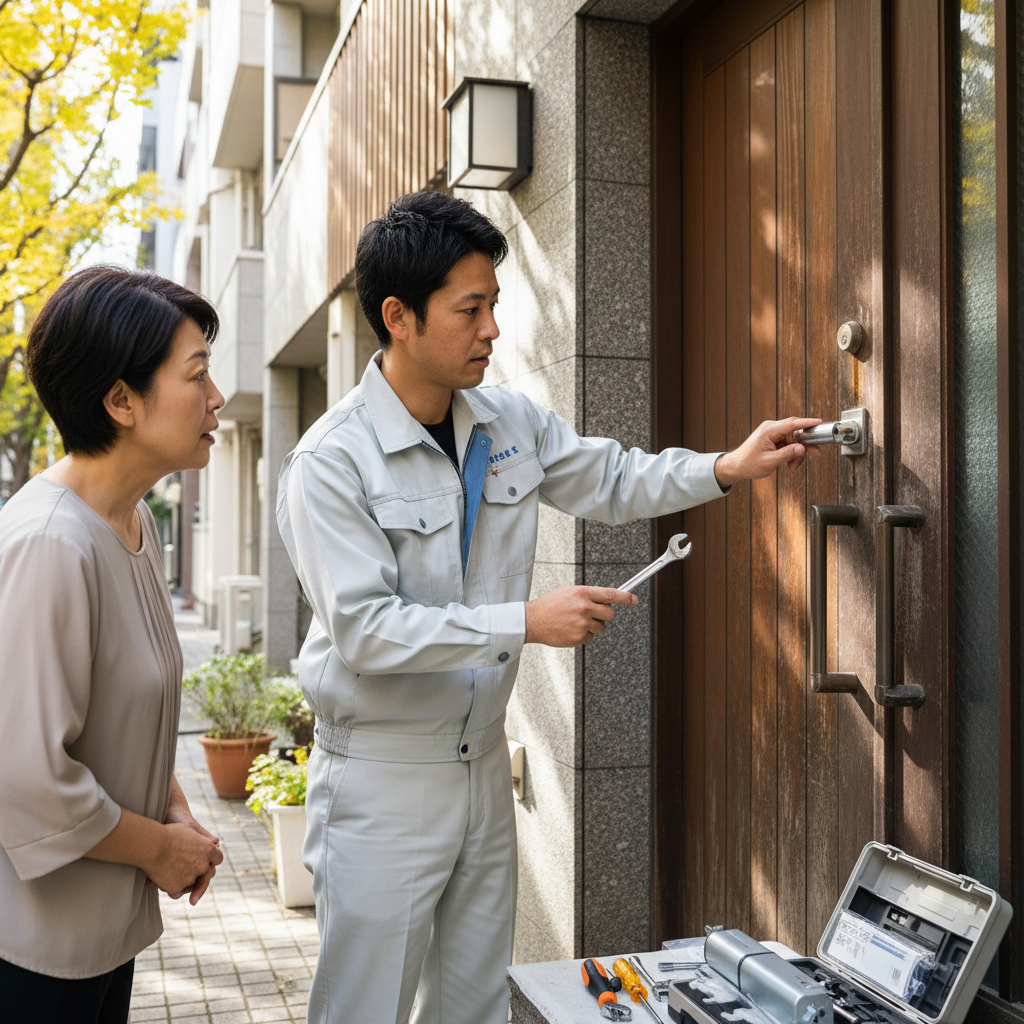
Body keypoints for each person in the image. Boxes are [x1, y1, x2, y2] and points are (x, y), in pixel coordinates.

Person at [277, 190, 822, 1024]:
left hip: (481, 767)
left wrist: (725, 467)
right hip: (381, 777)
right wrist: (526, 621)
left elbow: (611, 477)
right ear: (398, 316)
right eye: (470, 308)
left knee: (472, 1005)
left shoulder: (508, 421)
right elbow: (365, 630)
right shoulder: (330, 461)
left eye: (495, 304)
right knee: (364, 1009)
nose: (492, 328)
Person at [0, 267, 226, 1024]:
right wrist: (158, 851)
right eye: (196, 375)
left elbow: (125, 708)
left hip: (102, 934)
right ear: (120, 400)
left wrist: (174, 808)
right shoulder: (49, 544)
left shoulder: (135, 524)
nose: (216, 397)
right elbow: (26, 776)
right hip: (31, 948)